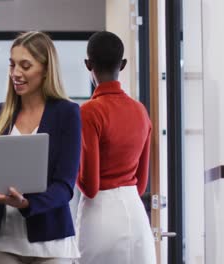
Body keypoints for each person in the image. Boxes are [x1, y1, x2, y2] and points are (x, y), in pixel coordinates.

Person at [0, 31, 81, 264]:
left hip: (51, 242)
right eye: (12, 64)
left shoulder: (67, 113)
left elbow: (65, 186)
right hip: (1, 241)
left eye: (25, 65)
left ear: (46, 69)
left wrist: (27, 204)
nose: (16, 73)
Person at [75, 31, 156, 264]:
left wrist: (71, 170)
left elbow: (90, 187)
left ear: (88, 64)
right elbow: (141, 185)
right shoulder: (140, 111)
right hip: (136, 215)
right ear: (123, 64)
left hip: (100, 218)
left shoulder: (89, 112)